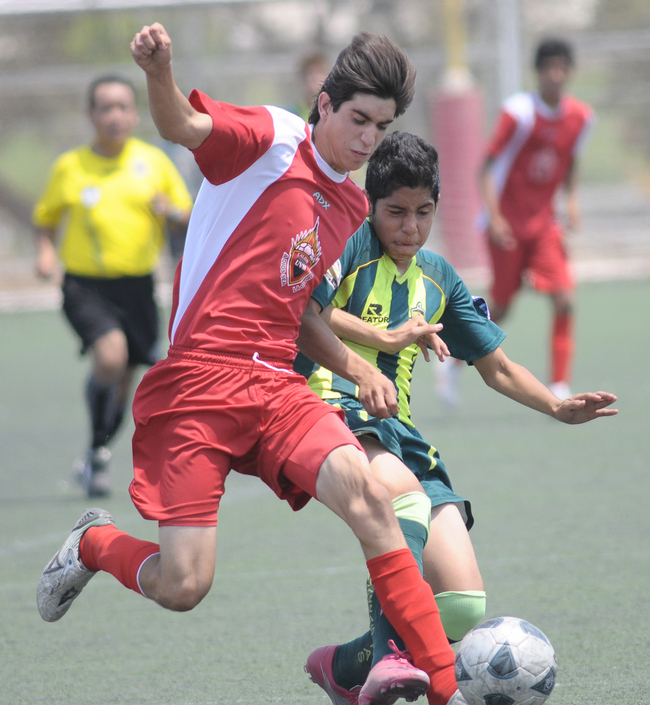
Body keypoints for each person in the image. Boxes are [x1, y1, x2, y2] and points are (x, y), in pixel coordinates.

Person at [37, 23, 467, 705]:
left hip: (276, 386)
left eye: (380, 127)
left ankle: (447, 689)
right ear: (325, 104)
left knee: (372, 501)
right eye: (358, 119)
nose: (366, 140)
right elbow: (182, 123)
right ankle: (95, 543)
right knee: (182, 584)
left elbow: (296, 310)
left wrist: (356, 367)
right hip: (199, 382)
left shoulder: (352, 202)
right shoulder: (269, 139)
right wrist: (158, 70)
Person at [295, 131, 618, 705]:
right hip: (331, 404)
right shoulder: (347, 244)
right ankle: (391, 657)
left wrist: (557, 407)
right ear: (372, 206)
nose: (409, 227)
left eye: (423, 213)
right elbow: (307, 313)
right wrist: (385, 338)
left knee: (463, 607)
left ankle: (344, 666)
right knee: (401, 497)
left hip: (400, 430)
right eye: (395, 212)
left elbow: (495, 367)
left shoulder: (440, 277)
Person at [33, 73, 193, 498]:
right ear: (91, 116)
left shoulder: (154, 162)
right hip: (85, 287)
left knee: (126, 375)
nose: (115, 116)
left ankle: (97, 453)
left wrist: (171, 211)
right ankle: (97, 451)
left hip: (138, 289)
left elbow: (187, 216)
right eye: (105, 108)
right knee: (111, 357)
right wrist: (45, 252)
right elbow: (45, 219)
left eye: (123, 107)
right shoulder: (70, 167)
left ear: (135, 114)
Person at [478, 37, 594, 401]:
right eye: (550, 68)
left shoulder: (580, 118)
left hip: (544, 225)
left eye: (562, 68)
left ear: (570, 72)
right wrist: (494, 218)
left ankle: (559, 384)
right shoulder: (518, 113)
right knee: (502, 307)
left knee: (565, 299)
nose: (556, 75)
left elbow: (572, 162)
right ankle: (452, 362)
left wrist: (571, 202)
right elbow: (485, 167)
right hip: (507, 227)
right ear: (539, 72)